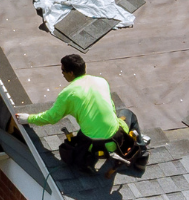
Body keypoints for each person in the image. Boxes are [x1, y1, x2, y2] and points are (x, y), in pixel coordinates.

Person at [17, 53, 145, 173]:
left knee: (84, 131)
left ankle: (88, 161)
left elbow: (51, 117)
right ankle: (141, 159)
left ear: (71, 73)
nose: (62, 74)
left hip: (90, 146)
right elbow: (111, 109)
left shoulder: (67, 94)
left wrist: (28, 118)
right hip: (116, 141)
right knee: (127, 114)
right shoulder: (101, 81)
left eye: (63, 71)